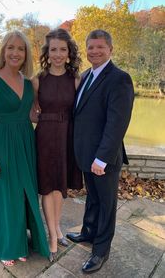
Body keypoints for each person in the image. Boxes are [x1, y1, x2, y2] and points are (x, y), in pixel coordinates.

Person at [0, 30, 49, 267]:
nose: (15, 52)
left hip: (26, 141)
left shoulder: (29, 83)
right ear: (3, 51)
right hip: (3, 144)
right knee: (7, 195)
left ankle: (22, 242)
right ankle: (8, 246)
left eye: (20, 48)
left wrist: (50, 116)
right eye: (11, 47)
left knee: (25, 193)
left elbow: (30, 114)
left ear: (26, 54)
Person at [67, 29, 134, 274]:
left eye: (100, 47)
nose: (95, 51)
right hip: (86, 154)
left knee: (106, 204)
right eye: (91, 47)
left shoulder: (120, 78)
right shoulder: (85, 76)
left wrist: (102, 158)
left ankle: (101, 251)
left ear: (110, 49)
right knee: (92, 198)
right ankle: (87, 233)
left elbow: (117, 123)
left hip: (103, 158)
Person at [32, 28, 83, 261]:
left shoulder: (76, 79)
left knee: (59, 188)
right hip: (44, 137)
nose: (58, 54)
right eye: (54, 49)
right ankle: (52, 236)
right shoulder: (37, 80)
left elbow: (81, 113)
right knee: (47, 187)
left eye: (63, 49)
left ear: (69, 52)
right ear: (47, 52)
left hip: (66, 136)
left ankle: (58, 228)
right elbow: (31, 114)